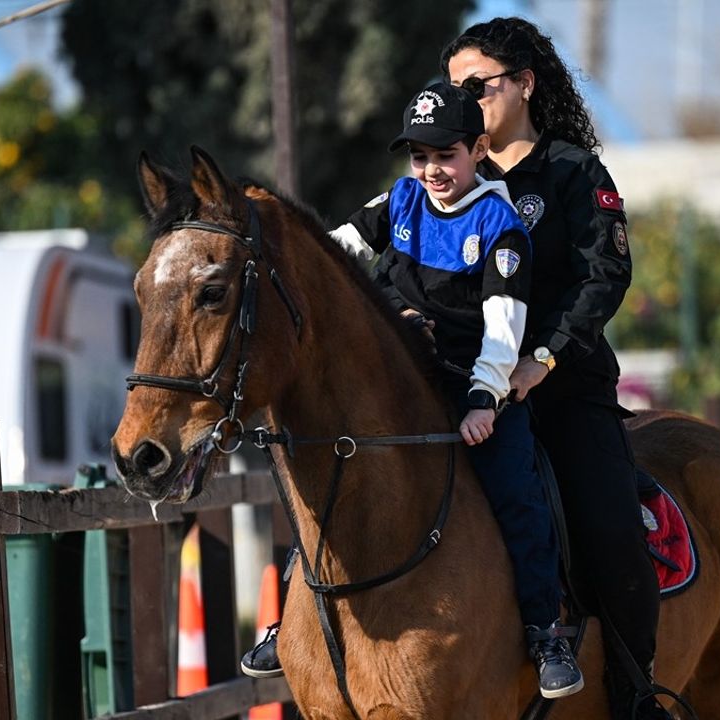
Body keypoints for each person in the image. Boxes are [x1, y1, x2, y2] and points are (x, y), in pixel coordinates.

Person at [242, 81, 584, 699]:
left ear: (478, 149)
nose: (431, 170)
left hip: (469, 384)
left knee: (516, 489)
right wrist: (280, 256)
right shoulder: (400, 200)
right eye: (419, 156)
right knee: (325, 484)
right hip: (394, 378)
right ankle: (295, 613)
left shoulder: (498, 223)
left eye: (445, 154)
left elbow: (505, 326)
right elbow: (333, 252)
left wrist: (486, 397)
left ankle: (543, 632)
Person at [439, 17, 672, 720]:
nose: (464, 99)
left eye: (477, 86)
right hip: (464, 391)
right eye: (453, 89)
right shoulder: (446, 172)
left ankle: (637, 697)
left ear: (525, 85)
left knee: (609, 534)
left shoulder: (574, 170)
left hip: (561, 390)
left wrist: (541, 360)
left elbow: (607, 275)